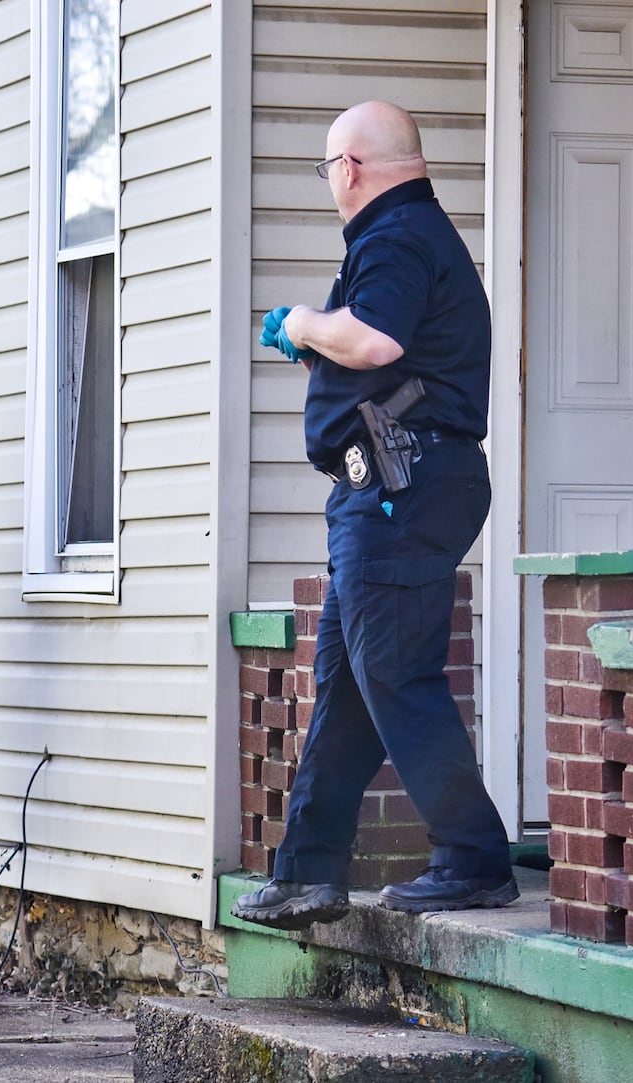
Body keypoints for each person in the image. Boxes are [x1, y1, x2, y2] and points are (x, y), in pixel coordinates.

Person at [233, 101, 517, 929]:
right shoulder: (413, 236)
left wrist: (303, 325)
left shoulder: (394, 239)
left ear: (350, 168)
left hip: (403, 486)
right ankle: (308, 870)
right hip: (393, 486)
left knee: (393, 672)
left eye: (328, 170)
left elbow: (377, 341)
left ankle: (473, 855)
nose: (330, 185)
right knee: (350, 682)